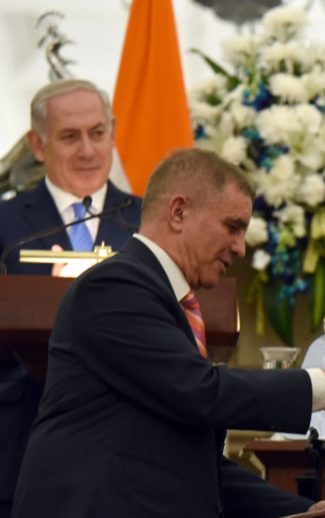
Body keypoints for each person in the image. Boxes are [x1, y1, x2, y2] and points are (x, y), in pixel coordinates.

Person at [11, 148, 325, 518]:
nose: (240, 247)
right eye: (233, 227)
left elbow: (198, 466)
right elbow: (201, 390)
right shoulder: (114, 286)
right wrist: (324, 387)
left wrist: (310, 510)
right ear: (179, 212)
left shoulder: (164, 299)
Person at [0, 79, 141, 518]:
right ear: (37, 145)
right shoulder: (4, 223)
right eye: (69, 136)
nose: (87, 151)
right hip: (20, 445)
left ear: (113, 133)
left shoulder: (152, 220)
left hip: (131, 452)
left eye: (98, 134)